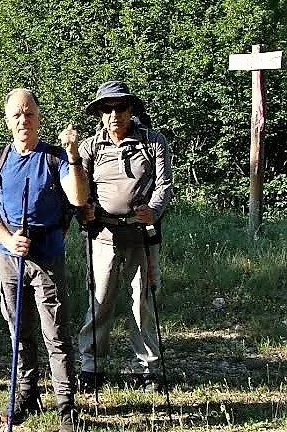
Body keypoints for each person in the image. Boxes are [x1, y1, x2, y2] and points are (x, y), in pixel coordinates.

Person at [0, 88, 88, 432]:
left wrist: (74, 155)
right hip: (8, 258)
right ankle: (27, 393)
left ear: (39, 117)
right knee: (18, 329)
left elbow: (79, 198)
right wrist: (8, 239)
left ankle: (66, 405)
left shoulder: (56, 158)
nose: (24, 120)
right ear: (7, 120)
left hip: (47, 256)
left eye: (30, 113)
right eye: (17, 115)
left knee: (55, 332)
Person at [76, 80, 172, 393]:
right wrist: (85, 210)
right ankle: (90, 365)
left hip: (140, 232)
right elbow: (81, 189)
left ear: (131, 108)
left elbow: (164, 185)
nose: (114, 113)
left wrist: (153, 211)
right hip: (102, 233)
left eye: (120, 107)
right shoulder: (90, 146)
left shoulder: (153, 141)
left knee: (140, 301)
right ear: (99, 112)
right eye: (107, 108)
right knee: (99, 298)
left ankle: (147, 368)